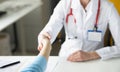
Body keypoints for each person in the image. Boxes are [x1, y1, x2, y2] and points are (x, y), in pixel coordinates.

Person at [38, 0, 120, 62]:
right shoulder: (65, 3)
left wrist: (92, 55)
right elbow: (50, 29)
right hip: (67, 58)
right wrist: (44, 38)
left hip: (95, 60)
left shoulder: (108, 7)